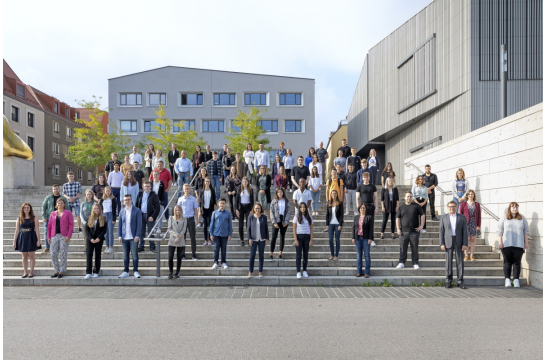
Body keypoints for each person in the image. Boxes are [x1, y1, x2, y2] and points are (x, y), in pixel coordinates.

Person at [498, 202, 529, 288]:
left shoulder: (522, 218)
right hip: (507, 244)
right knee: (507, 262)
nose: (514, 208)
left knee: (517, 262)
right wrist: (500, 242)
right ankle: (507, 279)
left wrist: (526, 242)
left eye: (516, 207)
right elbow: (500, 230)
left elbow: (526, 231)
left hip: (519, 244)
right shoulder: (504, 217)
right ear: (509, 208)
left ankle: (516, 280)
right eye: (513, 207)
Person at [439, 201, 468, 289]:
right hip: (448, 241)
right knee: (448, 262)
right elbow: (441, 231)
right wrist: (442, 243)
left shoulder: (462, 217)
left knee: (460, 262)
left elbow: (465, 231)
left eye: (454, 206)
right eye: (450, 206)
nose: (452, 208)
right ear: (447, 207)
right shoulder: (443, 217)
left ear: (456, 207)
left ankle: (460, 281)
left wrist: (465, 243)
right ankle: (448, 281)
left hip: (458, 241)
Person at [395, 192, 425, 270]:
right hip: (403, 232)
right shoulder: (401, 207)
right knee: (402, 248)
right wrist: (398, 228)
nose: (409, 198)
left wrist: (421, 226)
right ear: (404, 197)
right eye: (408, 196)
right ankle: (401, 262)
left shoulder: (417, 206)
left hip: (414, 232)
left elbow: (423, 215)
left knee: (415, 248)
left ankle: (415, 263)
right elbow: (397, 218)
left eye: (411, 197)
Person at [47, 198, 74, 278]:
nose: (60, 204)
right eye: (58, 203)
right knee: (53, 254)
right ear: (56, 204)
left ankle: (61, 271)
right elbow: (49, 226)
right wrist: (48, 236)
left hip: (64, 236)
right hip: (54, 236)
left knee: (63, 253)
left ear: (64, 204)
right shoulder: (53, 213)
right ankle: (56, 271)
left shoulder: (68, 213)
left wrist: (68, 236)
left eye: (61, 203)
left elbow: (71, 225)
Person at [117, 195, 142, 279]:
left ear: (131, 200)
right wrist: (119, 235)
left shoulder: (137, 210)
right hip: (124, 237)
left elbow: (139, 224)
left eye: (128, 199)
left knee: (134, 254)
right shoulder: (122, 211)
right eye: (125, 200)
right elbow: (120, 224)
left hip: (133, 237)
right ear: (123, 201)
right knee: (125, 255)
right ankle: (126, 271)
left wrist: (137, 235)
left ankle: (135, 271)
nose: (127, 201)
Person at [13, 203, 41, 278]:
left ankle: (31, 272)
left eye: (28, 207)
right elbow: (17, 231)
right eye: (24, 207)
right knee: (24, 256)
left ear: (30, 209)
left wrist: (38, 240)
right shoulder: (19, 219)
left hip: (31, 236)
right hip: (22, 237)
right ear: (22, 209)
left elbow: (37, 230)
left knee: (32, 256)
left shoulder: (34, 218)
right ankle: (25, 272)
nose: (26, 209)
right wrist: (14, 241)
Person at [41, 184, 68, 253]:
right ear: (52, 190)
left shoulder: (63, 198)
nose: (55, 190)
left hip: (60, 218)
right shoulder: (48, 198)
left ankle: (59, 247)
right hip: (49, 218)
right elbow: (44, 207)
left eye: (57, 189)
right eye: (54, 189)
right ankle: (47, 247)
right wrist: (44, 216)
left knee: (60, 233)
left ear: (59, 189)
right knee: (47, 232)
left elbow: (67, 208)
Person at [135, 181, 161, 253]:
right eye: (145, 186)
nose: (147, 187)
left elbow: (157, 207)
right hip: (141, 216)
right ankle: (141, 247)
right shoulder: (140, 195)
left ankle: (152, 247)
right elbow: (136, 206)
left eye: (148, 186)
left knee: (151, 232)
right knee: (141, 232)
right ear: (143, 187)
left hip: (150, 217)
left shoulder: (154, 195)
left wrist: (153, 216)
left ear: (150, 187)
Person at [83, 204, 107, 279]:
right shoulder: (89, 218)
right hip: (90, 239)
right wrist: (90, 238)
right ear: (92, 209)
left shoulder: (103, 218)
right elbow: (86, 230)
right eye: (94, 208)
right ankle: (88, 272)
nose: (96, 210)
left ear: (100, 209)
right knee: (89, 254)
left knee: (97, 255)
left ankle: (96, 271)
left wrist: (99, 238)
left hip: (99, 239)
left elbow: (104, 230)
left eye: (97, 208)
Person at [177, 184, 199, 260]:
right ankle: (182, 255)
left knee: (193, 238)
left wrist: (197, 219)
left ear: (190, 190)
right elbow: (178, 211)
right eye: (185, 189)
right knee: (183, 238)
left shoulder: (193, 199)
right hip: (182, 220)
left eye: (188, 189)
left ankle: (193, 255)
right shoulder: (180, 199)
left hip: (191, 219)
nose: (186, 190)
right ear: (183, 190)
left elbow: (196, 210)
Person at [210, 198, 233, 270]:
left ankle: (223, 262)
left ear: (225, 204)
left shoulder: (228, 213)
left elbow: (230, 224)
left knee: (224, 248)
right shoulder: (214, 213)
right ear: (218, 204)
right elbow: (212, 224)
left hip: (225, 234)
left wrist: (230, 234)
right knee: (216, 248)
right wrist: (211, 233)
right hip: (216, 234)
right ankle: (215, 262)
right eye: (220, 203)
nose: (222, 204)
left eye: (223, 203)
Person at [247, 202, 269, 278]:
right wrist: (249, 238)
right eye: (256, 208)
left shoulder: (264, 217)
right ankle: (250, 271)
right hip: (253, 239)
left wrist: (267, 238)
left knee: (261, 256)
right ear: (254, 209)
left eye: (259, 208)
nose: (257, 209)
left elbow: (266, 229)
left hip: (262, 239)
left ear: (261, 209)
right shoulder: (250, 217)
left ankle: (260, 271)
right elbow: (248, 229)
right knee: (252, 256)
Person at [356, 172, 378, 244]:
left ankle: (372, 239)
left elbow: (375, 197)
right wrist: (358, 208)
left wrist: (376, 207)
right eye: (364, 177)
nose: (366, 178)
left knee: (371, 223)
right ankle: (363, 238)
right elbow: (357, 198)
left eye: (367, 177)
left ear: (369, 178)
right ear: (362, 178)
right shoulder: (360, 186)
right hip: (363, 207)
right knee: (363, 223)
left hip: (371, 206)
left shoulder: (373, 186)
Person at [293, 202, 313, 279]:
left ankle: (304, 271)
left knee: (305, 255)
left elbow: (311, 230)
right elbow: (294, 229)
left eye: (304, 207)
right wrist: (295, 239)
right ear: (299, 208)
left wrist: (311, 240)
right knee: (298, 255)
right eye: (301, 207)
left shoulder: (310, 217)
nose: (302, 208)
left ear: (306, 208)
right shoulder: (296, 216)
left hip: (307, 237)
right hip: (299, 237)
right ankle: (298, 272)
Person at [459, 190, 481, 261]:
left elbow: (479, 216)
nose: (470, 195)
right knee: (466, 239)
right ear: (467, 195)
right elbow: (461, 215)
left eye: (472, 194)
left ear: (474, 195)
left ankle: (471, 255)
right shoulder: (463, 204)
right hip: (466, 223)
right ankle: (466, 255)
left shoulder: (477, 204)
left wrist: (478, 225)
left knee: (472, 239)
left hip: (474, 222)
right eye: (469, 194)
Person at [270, 187, 291, 261]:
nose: (280, 193)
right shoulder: (274, 201)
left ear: (283, 193)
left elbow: (288, 212)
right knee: (273, 237)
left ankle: (280, 254)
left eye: (281, 192)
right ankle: (271, 254)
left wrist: (286, 221)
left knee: (282, 237)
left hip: (283, 219)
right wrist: (274, 222)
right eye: (278, 192)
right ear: (276, 193)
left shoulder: (286, 201)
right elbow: (271, 212)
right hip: (276, 219)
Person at [167, 205, 187, 279]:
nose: (177, 211)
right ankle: (171, 272)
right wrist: (176, 235)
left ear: (181, 211)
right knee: (170, 256)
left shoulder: (184, 219)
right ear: (174, 211)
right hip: (172, 239)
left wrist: (178, 238)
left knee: (179, 256)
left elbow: (184, 230)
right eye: (176, 210)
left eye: (179, 210)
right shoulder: (171, 218)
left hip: (180, 240)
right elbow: (169, 229)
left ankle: (177, 272)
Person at [236, 177, 254, 246]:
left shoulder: (251, 190)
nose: (245, 183)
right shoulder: (239, 189)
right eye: (243, 181)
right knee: (240, 225)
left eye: (246, 181)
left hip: (248, 208)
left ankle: (249, 238)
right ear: (242, 182)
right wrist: (236, 209)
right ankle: (242, 240)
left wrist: (252, 210)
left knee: (248, 225)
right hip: (241, 208)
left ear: (248, 182)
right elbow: (236, 201)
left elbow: (252, 201)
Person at [198, 177, 217, 246]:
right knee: (205, 224)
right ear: (204, 182)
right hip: (204, 210)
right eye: (206, 181)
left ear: (210, 182)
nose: (207, 182)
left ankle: (210, 239)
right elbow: (200, 202)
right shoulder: (202, 190)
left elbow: (214, 201)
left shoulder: (212, 190)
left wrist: (215, 210)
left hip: (210, 209)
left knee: (210, 224)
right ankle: (206, 239)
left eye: (208, 181)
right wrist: (199, 211)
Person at [326, 189, 344, 260]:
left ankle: (336, 255)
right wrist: (327, 224)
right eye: (332, 194)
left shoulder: (339, 203)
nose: (334, 195)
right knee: (330, 239)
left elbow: (341, 215)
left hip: (337, 224)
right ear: (331, 195)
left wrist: (340, 224)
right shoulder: (328, 203)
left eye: (335, 194)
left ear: (337, 195)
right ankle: (332, 254)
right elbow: (327, 215)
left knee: (337, 239)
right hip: (330, 224)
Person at [99, 186, 117, 254]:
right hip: (104, 215)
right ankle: (107, 247)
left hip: (110, 215)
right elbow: (100, 209)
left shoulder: (113, 199)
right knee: (105, 233)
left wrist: (114, 219)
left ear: (111, 192)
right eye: (106, 191)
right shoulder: (102, 199)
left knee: (110, 232)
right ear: (104, 192)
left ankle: (111, 247)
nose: (108, 192)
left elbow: (115, 209)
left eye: (109, 191)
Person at [151, 170, 166, 234]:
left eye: (156, 174)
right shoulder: (151, 183)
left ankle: (159, 227)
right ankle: (153, 227)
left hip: (159, 201)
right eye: (154, 174)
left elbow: (163, 193)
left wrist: (162, 202)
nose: (155, 176)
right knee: (152, 215)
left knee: (159, 215)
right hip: (152, 201)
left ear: (159, 175)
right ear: (152, 175)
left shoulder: (161, 183)